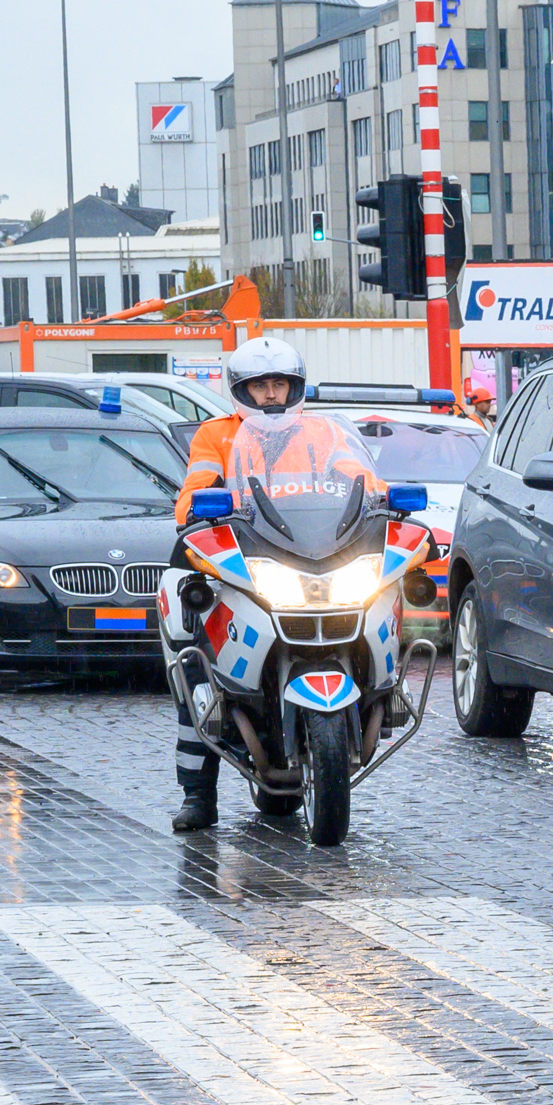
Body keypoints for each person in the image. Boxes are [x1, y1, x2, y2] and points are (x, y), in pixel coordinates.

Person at [165, 337, 381, 833]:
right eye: (260, 385)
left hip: (312, 555)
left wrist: (378, 497)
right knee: (191, 654)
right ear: (242, 389)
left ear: (294, 386)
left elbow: (356, 477)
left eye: (278, 383)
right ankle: (198, 795)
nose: (270, 394)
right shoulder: (216, 435)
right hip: (240, 554)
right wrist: (202, 503)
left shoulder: (321, 434)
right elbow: (192, 497)